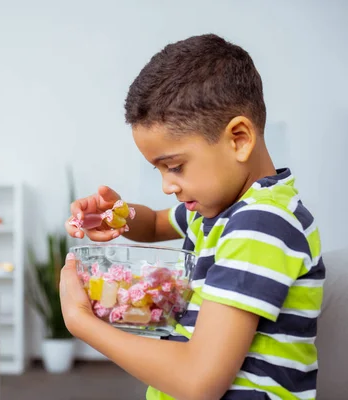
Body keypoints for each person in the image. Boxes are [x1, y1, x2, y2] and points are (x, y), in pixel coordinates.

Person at [61, 34, 324, 399]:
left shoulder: (262, 224)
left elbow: (200, 381)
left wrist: (80, 322)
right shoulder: (220, 211)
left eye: (175, 166)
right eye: (160, 171)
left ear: (239, 139)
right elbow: (153, 224)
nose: (168, 185)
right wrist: (117, 214)